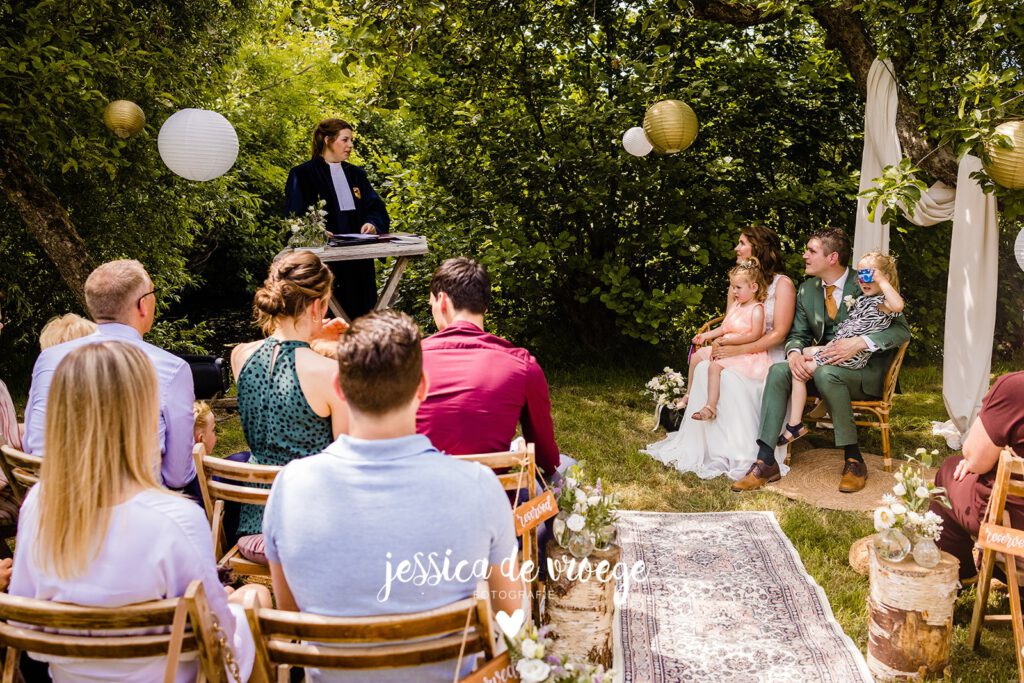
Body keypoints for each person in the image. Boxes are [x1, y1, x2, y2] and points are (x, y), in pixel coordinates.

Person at [263, 310, 523, 682]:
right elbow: (511, 621)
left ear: (338, 387)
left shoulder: (289, 487)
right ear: (423, 387)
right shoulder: (480, 486)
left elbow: (291, 617)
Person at [9, 341, 270, 681]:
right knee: (254, 599)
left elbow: (25, 624)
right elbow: (219, 642)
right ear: (143, 416)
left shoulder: (40, 504)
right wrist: (235, 600)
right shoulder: (176, 518)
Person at [732, 228, 911, 493]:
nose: (804, 255)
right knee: (779, 370)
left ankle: (853, 459)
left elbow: (901, 331)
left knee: (828, 374)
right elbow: (798, 334)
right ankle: (766, 460)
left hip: (861, 370)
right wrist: (793, 354)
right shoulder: (807, 290)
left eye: (811, 251)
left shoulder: (865, 281)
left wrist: (860, 342)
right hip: (823, 361)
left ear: (832, 257)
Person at [23, 260, 197, 490]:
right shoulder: (171, 368)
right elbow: (178, 475)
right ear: (142, 305)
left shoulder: (49, 358)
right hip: (133, 507)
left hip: (52, 503)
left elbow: (30, 444)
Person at [643, 226, 796, 480]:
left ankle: (741, 450)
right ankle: (708, 445)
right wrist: (719, 343)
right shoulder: (737, 284)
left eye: (742, 243)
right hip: (737, 349)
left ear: (758, 247)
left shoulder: (783, 284)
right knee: (704, 366)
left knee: (731, 379)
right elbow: (730, 321)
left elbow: (779, 333)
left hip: (767, 356)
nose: (736, 248)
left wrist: (739, 348)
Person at [230, 251, 348, 563]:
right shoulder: (330, 374)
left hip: (254, 533)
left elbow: (280, 347)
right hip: (314, 533)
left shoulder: (240, 357)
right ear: (316, 306)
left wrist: (311, 334)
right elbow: (349, 460)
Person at [416, 257, 560, 478]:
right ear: (485, 306)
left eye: (431, 304)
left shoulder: (406, 360)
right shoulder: (522, 366)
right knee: (567, 466)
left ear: (442, 300)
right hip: (494, 503)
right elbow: (546, 460)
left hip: (419, 497)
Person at [781, 252, 904, 445]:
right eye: (860, 274)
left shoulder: (883, 303)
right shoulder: (862, 299)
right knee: (802, 354)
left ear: (883, 277)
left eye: (868, 275)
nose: (863, 280)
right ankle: (823, 402)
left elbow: (898, 306)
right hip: (838, 347)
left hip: (852, 355)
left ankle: (795, 424)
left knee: (800, 372)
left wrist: (882, 280)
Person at [285, 118, 391, 320]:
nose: (350, 145)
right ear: (327, 140)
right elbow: (294, 217)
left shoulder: (357, 174)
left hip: (359, 261)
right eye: (345, 140)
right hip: (325, 262)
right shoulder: (302, 174)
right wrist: (315, 233)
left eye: (351, 140)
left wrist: (372, 224)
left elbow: (375, 208)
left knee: (363, 314)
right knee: (329, 315)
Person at [930, 372, 1024, 581]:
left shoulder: (1016, 388)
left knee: (949, 471)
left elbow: (975, 457)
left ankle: (960, 573)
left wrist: (988, 459)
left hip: (1016, 544)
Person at [688, 259, 771, 422]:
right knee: (696, 357)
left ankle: (710, 407)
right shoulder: (736, 306)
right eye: (733, 287)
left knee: (714, 366)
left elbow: (755, 335)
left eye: (738, 287)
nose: (734, 291)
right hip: (726, 345)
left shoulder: (756, 309)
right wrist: (706, 336)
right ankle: (689, 394)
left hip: (745, 352)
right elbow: (725, 328)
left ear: (753, 287)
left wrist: (729, 342)